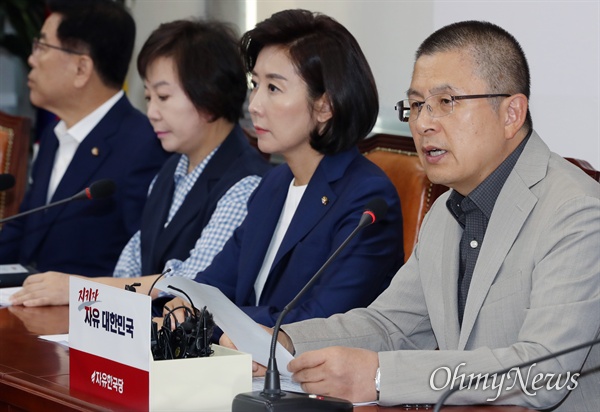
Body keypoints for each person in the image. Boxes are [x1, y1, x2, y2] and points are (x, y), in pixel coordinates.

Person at [224, 20, 600, 411]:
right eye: (417, 105)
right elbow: (391, 326)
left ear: (511, 113)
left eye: (446, 102)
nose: (422, 123)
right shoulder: (446, 211)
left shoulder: (576, 212)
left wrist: (380, 377)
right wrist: (282, 342)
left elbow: (541, 373)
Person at [162, 9, 403, 335]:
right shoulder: (272, 184)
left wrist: (207, 323)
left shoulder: (367, 198)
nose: (254, 104)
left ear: (325, 107)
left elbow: (318, 322)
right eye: (255, 84)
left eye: (273, 88)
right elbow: (213, 285)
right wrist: (183, 306)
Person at [9, 19, 271, 307]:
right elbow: (130, 267)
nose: (152, 112)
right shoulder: (171, 169)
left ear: (209, 95)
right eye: (148, 97)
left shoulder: (246, 183)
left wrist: (80, 289)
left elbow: (191, 284)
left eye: (163, 96)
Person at [0, 0, 170, 277]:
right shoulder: (55, 134)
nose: (31, 58)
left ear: (81, 69)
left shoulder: (144, 147)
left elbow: (143, 269)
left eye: (42, 46)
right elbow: (23, 229)